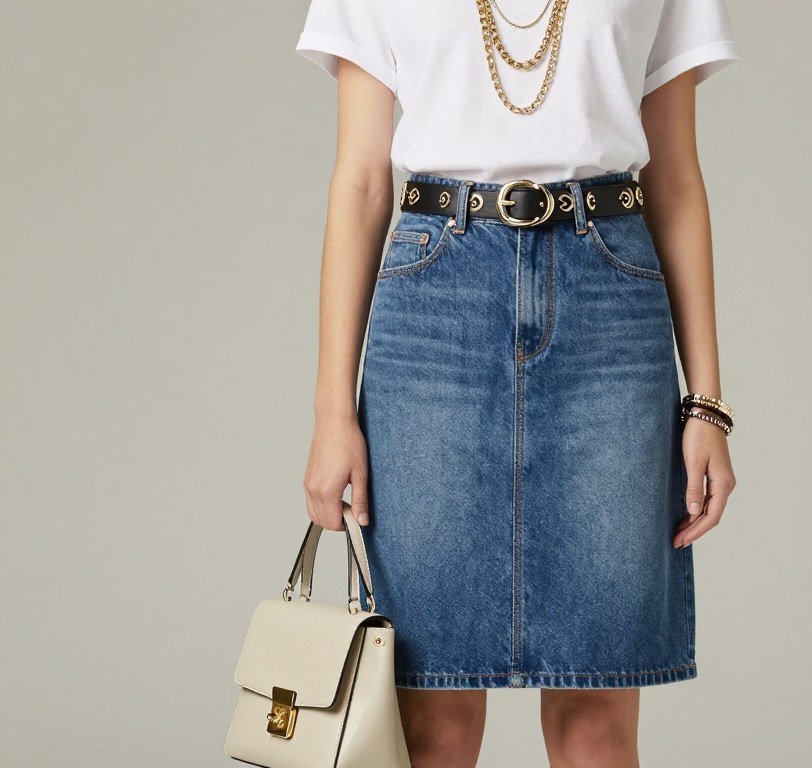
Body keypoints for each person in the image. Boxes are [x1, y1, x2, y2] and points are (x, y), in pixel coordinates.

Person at [296, 2, 739, 766]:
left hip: (609, 298)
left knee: (597, 709)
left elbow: (676, 177)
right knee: (430, 711)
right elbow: (362, 180)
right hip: (436, 304)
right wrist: (333, 410)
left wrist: (706, 402)